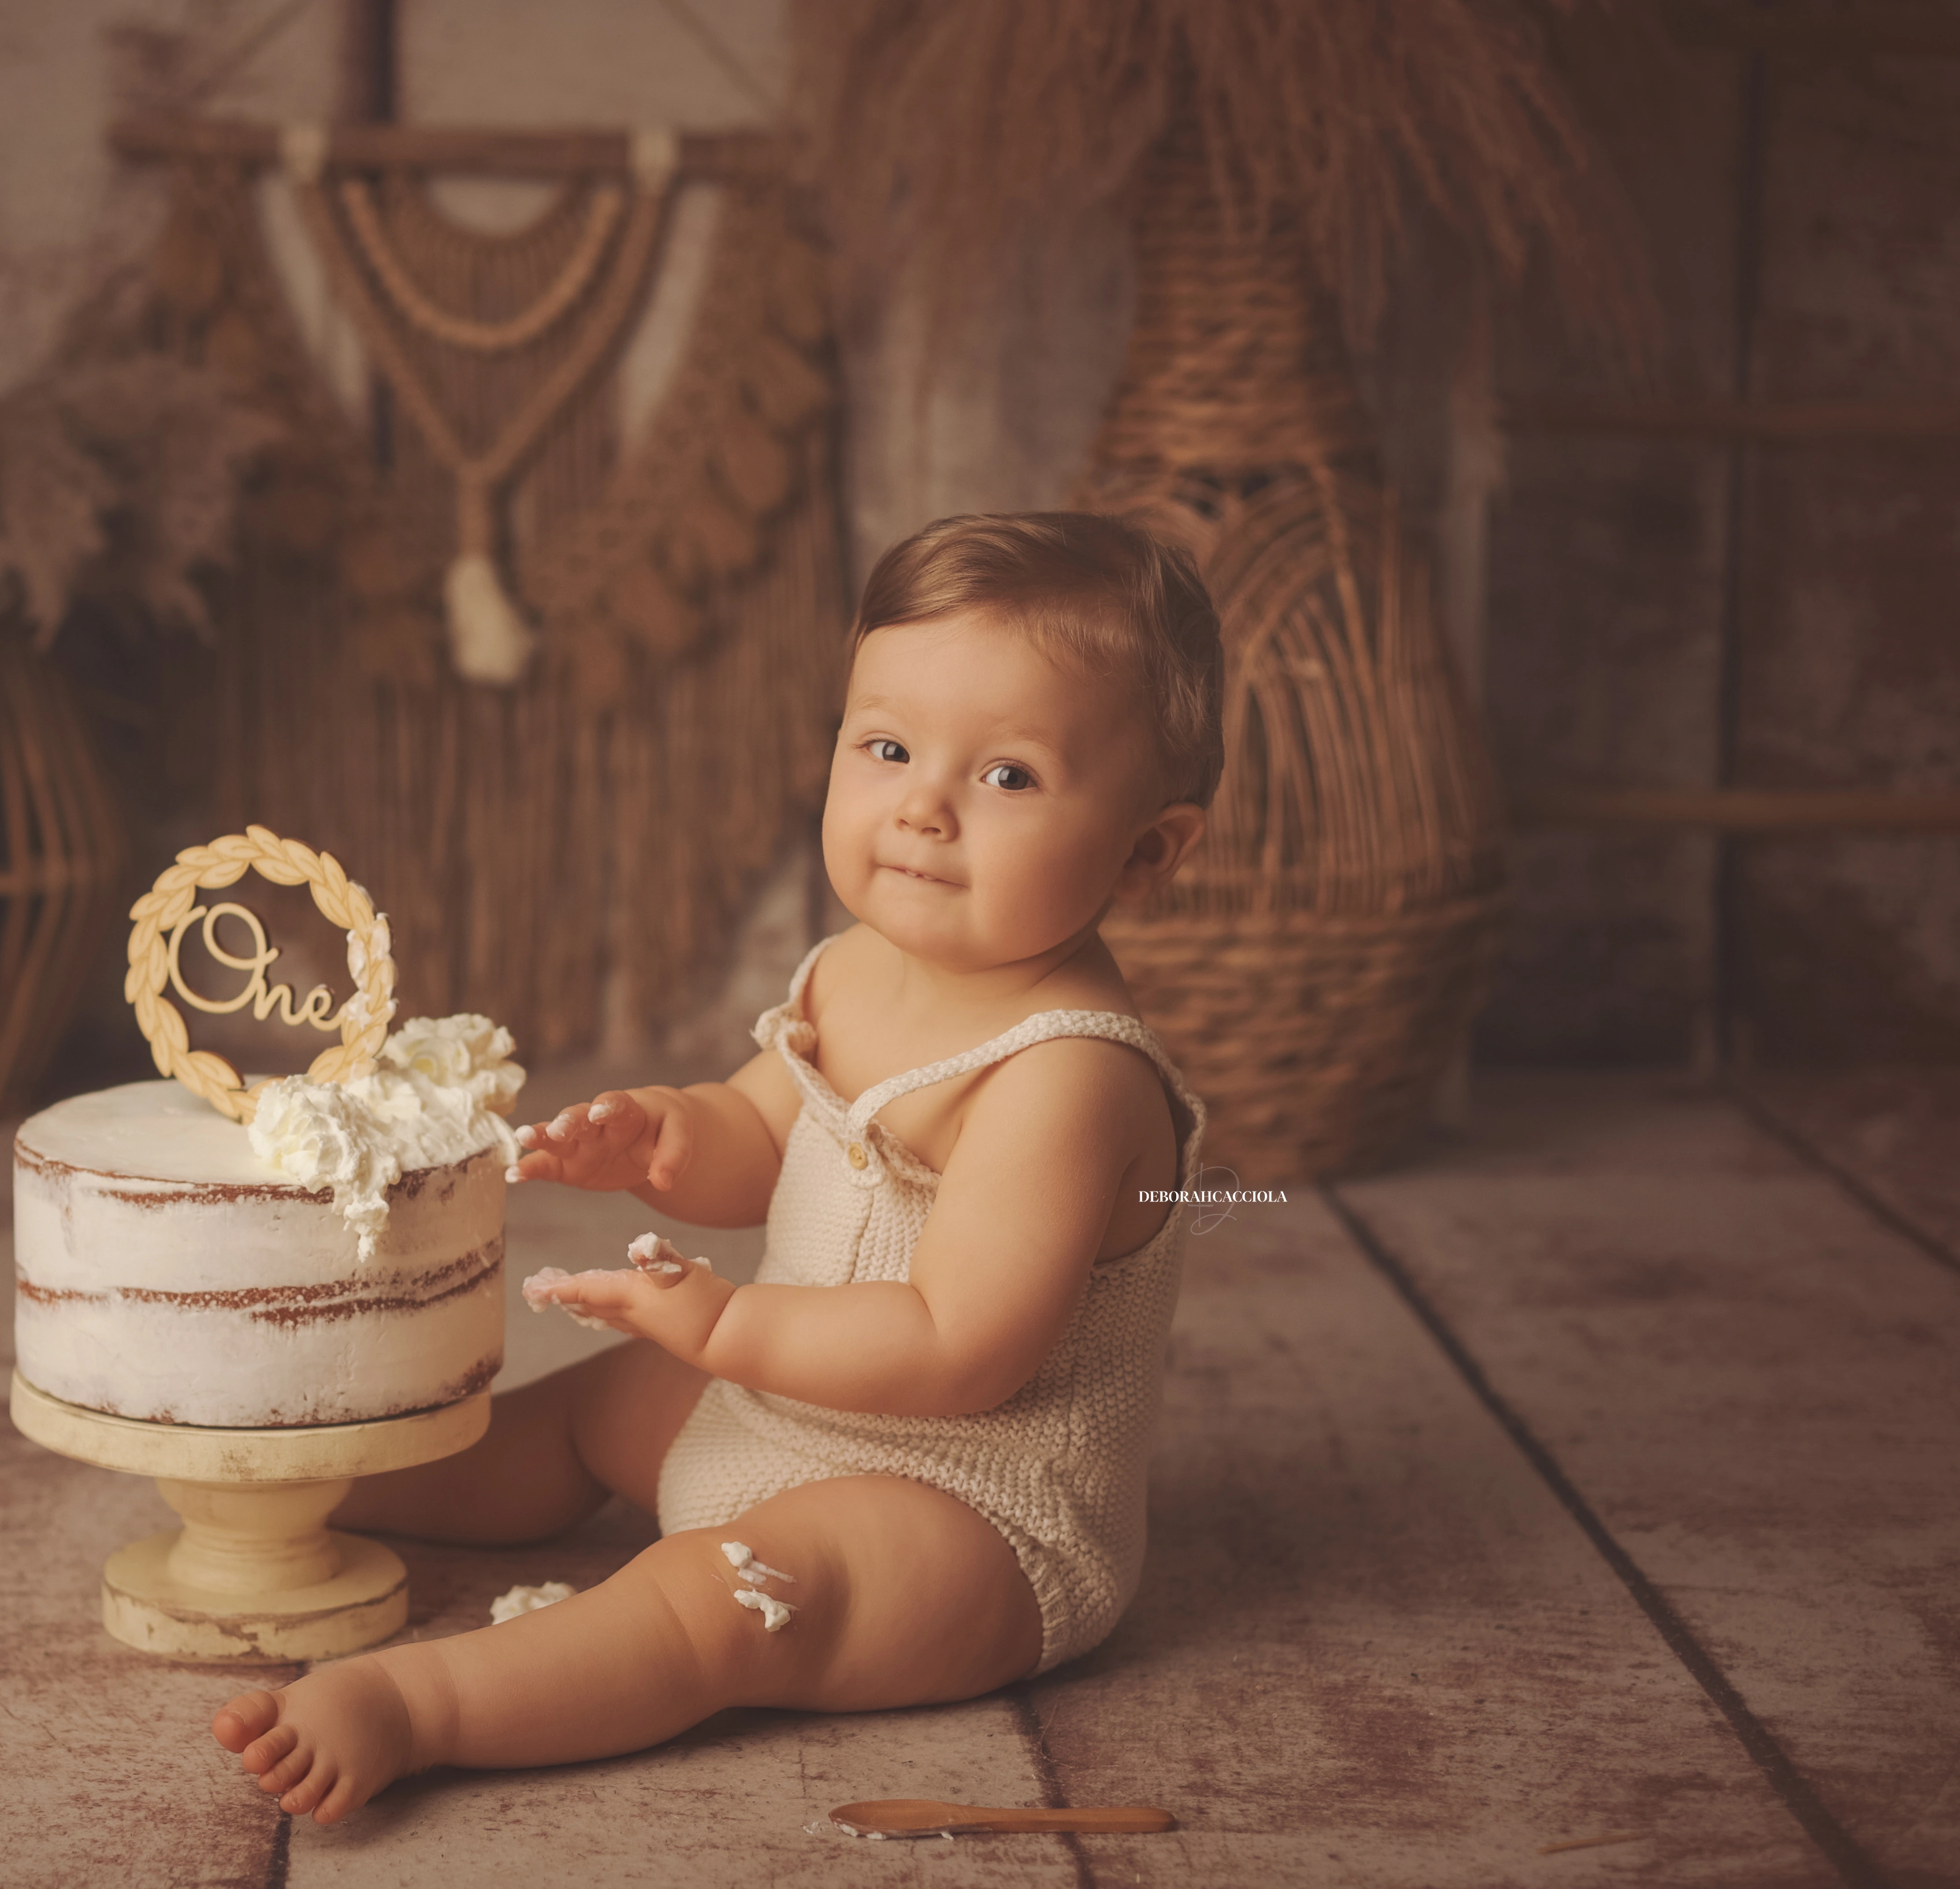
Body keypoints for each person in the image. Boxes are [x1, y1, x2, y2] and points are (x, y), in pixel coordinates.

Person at [213, 511, 1223, 1824]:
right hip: (779, 1400)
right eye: (889, 747)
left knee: (722, 1600)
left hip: (965, 1504)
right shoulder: (853, 969)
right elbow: (760, 1141)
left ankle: (421, 1706)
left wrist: (732, 1323)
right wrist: (667, 1138)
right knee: (590, 1410)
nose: (921, 806)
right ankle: (308, 1497)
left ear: (1146, 850)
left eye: (1010, 777)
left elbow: (961, 1346)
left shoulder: (1067, 1077)